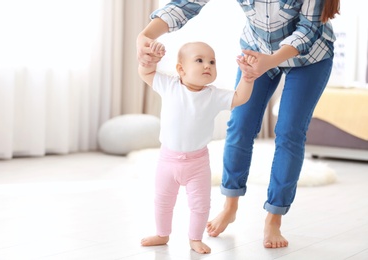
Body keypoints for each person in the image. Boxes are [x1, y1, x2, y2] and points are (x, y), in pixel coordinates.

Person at [137, 0, 340, 249]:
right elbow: (187, 4)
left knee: (289, 132)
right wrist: (146, 34)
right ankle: (230, 206)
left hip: (310, 57)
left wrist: (273, 60)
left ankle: (274, 218)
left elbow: (308, 29)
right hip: (256, 51)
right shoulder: (172, 86)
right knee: (240, 126)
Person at [138, 40, 255, 254]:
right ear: (181, 69)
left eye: (212, 61)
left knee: (200, 205)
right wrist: (150, 60)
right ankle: (162, 234)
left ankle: (195, 238)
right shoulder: (170, 85)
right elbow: (146, 73)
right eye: (199, 60)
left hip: (198, 163)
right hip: (168, 161)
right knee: (163, 201)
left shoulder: (213, 95)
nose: (207, 65)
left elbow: (240, 97)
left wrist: (247, 78)